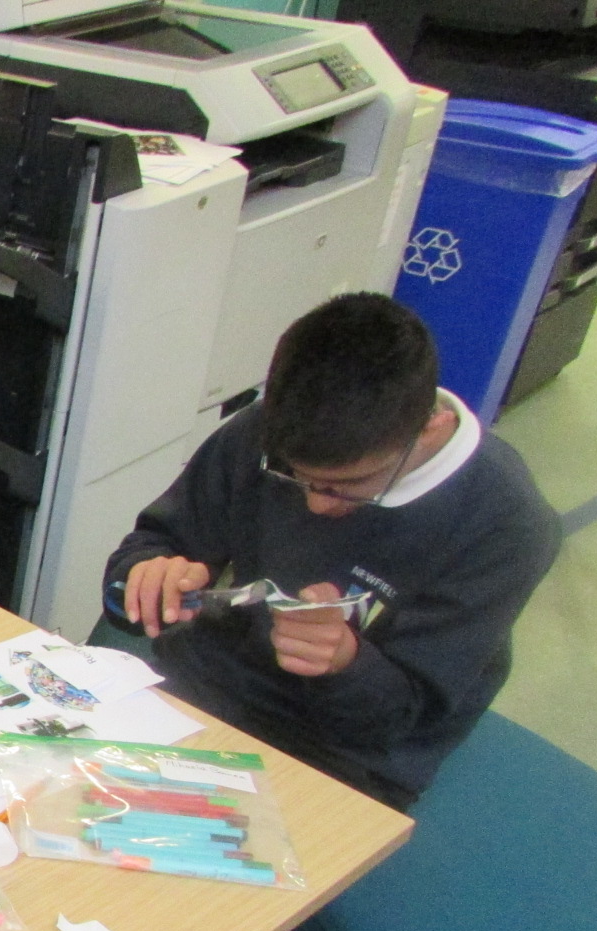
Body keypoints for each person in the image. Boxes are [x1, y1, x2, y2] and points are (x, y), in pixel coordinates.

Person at [102, 293, 562, 809]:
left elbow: (397, 723)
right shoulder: (266, 433)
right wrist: (145, 577)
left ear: (429, 426)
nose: (316, 505)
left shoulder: (504, 524)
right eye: (294, 476)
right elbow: (144, 557)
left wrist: (343, 663)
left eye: (348, 484)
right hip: (206, 689)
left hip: (342, 754)